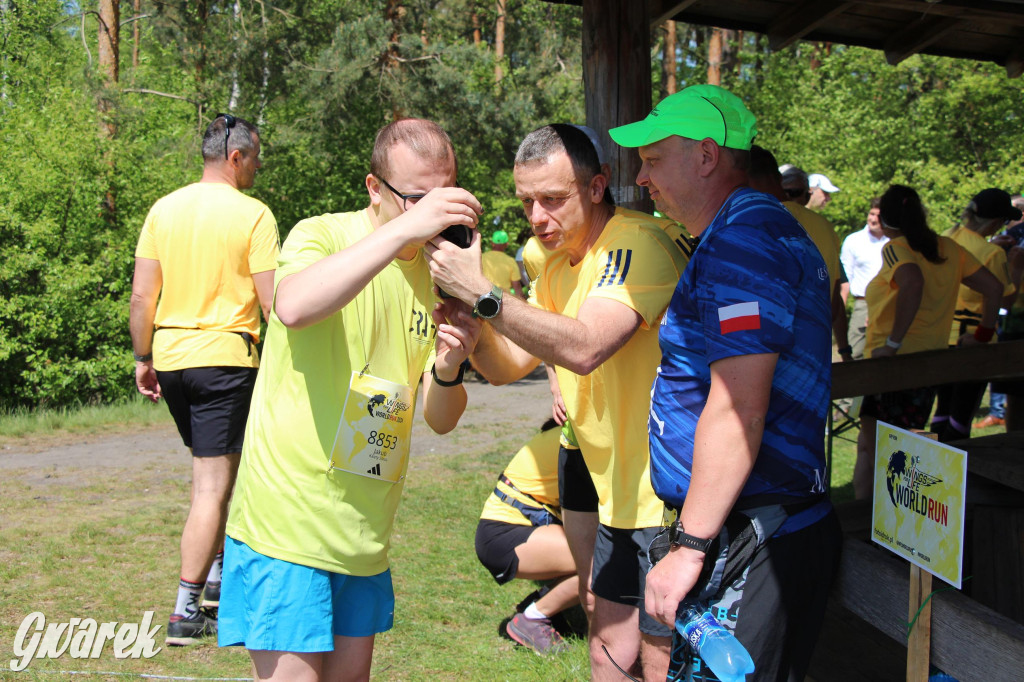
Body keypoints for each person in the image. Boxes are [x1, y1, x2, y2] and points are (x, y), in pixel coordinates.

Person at [218, 118, 483, 682]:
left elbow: (439, 419)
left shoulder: (441, 275)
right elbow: (291, 306)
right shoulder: (322, 234)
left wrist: (450, 366)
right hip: (288, 525)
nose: (434, 215)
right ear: (373, 188)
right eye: (417, 198)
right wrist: (402, 234)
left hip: (363, 535)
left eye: (444, 196)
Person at [428, 123, 691, 681]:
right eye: (527, 202)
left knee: (661, 654)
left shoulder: (636, 243)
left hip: (659, 489)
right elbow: (509, 366)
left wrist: (485, 294)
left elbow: (588, 346)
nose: (538, 218)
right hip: (598, 475)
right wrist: (471, 332)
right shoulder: (543, 256)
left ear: (597, 188)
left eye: (553, 200)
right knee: (604, 644)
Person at [610, 83, 842, 682]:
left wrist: (689, 546)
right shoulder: (751, 227)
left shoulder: (744, 238)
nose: (641, 176)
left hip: (755, 529)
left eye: (654, 159)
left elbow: (739, 405)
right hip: (747, 522)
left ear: (707, 156)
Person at [129, 113, 279, 646]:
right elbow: (273, 303)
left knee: (218, 474)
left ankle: (215, 583)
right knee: (211, 486)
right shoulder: (254, 215)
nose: (259, 166)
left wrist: (142, 356)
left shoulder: (163, 209)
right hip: (225, 359)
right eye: (256, 156)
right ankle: (184, 610)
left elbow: (144, 296)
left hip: (170, 358)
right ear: (235, 157)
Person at [853, 185, 1004, 496]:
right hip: (927, 366)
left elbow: (913, 282)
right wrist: (982, 336)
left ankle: (879, 531)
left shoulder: (896, 248)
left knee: (883, 455)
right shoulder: (948, 247)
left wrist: (893, 344)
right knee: (901, 450)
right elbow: (994, 289)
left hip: (890, 366)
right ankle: (894, 530)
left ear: (885, 218)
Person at [475, 420, 578, 654]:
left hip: (519, 525)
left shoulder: (572, 431)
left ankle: (538, 606)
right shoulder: (575, 440)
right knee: (600, 563)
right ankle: (533, 618)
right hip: (504, 533)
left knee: (603, 553)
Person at [931, 189, 1019, 441]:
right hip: (972, 341)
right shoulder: (992, 253)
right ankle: (958, 473)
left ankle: (929, 468)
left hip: (939, 337)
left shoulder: (944, 238)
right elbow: (1007, 299)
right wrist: (1017, 268)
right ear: (995, 222)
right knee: (961, 416)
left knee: (940, 410)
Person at [747, 145, 849, 358]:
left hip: (762, 352)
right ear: (778, 178)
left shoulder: (747, 223)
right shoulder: (824, 226)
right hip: (813, 351)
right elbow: (835, 303)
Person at [840, 199, 889, 360]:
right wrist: (838, 315)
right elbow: (844, 281)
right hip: (863, 305)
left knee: (886, 353)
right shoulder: (853, 241)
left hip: (889, 303)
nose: (873, 219)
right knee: (854, 354)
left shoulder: (895, 242)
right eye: (871, 214)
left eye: (879, 216)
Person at [481, 229, 525, 298]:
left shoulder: (481, 258)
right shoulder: (511, 261)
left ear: (492, 243)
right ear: (506, 244)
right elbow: (517, 287)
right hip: (503, 300)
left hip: (483, 298)